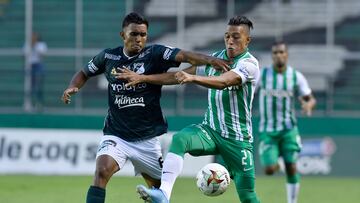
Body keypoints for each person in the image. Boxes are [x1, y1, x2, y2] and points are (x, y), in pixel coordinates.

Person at [61, 12, 230, 203]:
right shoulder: (108, 57)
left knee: (158, 192)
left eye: (143, 35)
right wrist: (72, 86)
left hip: (147, 141)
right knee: (101, 171)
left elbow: (185, 55)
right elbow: (84, 72)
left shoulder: (155, 54)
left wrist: (210, 60)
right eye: (134, 34)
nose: (139, 39)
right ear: (122, 35)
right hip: (116, 135)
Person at [118, 16, 261, 203]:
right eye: (227, 36)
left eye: (236, 37)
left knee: (248, 197)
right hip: (210, 131)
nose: (230, 41)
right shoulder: (216, 59)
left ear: (247, 40)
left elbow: (225, 81)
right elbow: (177, 76)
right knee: (180, 139)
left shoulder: (249, 65)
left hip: (238, 139)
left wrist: (193, 78)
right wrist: (143, 78)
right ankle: (163, 194)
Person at [257, 41, 316, 203]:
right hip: (268, 130)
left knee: (292, 167)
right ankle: (277, 163)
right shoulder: (262, 75)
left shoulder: (296, 76)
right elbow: (247, 92)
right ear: (272, 56)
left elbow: (309, 99)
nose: (278, 55)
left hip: (289, 130)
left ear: (287, 55)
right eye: (275, 53)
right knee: (269, 169)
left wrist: (308, 105)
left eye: (281, 52)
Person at [30, 32, 47, 110]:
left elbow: (42, 53)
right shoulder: (27, 44)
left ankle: (39, 103)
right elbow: (24, 53)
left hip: (38, 65)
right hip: (30, 65)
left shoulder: (41, 44)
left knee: (39, 85)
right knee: (31, 86)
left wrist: (34, 45)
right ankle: (30, 103)